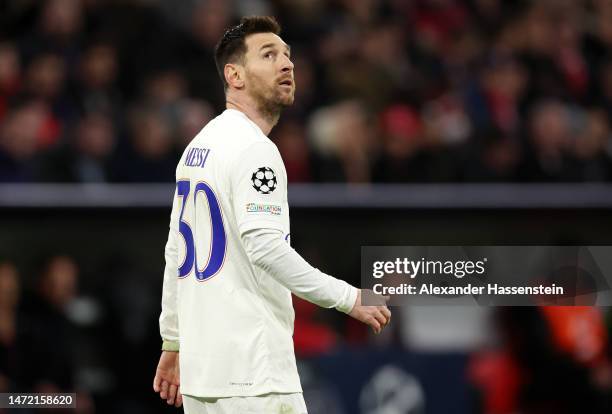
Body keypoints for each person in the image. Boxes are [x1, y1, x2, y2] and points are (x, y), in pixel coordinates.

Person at [152, 16, 391, 413]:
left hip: (205, 375)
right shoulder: (254, 150)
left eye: (287, 55)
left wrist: (174, 341)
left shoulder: (198, 147)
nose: (287, 64)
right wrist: (349, 297)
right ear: (235, 75)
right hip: (253, 374)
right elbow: (264, 248)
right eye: (268, 55)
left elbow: (175, 253)